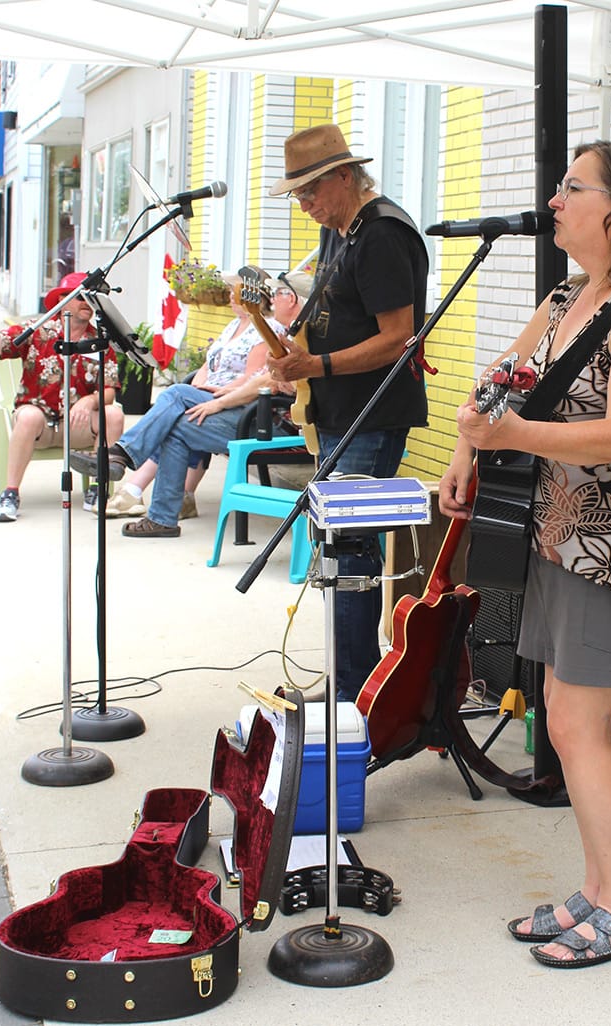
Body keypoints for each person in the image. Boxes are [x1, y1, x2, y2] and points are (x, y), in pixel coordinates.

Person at [438, 140, 611, 968]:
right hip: (565, 536)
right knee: (564, 717)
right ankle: (597, 889)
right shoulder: (569, 295)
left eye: (572, 187)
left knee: (579, 724)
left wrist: (512, 434)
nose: (553, 200)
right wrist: (465, 447)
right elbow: (504, 375)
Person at [267, 123, 429, 703]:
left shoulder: (382, 234)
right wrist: (293, 353)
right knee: (339, 551)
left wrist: (317, 368)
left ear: (343, 175)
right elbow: (337, 314)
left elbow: (398, 338)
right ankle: (348, 680)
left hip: (372, 413)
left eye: (311, 190)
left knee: (351, 552)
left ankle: (354, 694)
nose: (305, 204)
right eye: (297, 195)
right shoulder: (341, 229)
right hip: (339, 411)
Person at [72, 272, 307, 538]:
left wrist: (217, 402)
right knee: (177, 416)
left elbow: (261, 384)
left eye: (278, 294)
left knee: (176, 400)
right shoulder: (264, 330)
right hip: (239, 406)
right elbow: (220, 368)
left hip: (266, 420)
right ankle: (157, 512)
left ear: (293, 299)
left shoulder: (285, 335)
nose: (273, 299)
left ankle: (128, 460)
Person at [0, 272, 124, 523]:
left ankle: (97, 489)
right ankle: (10, 494)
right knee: (27, 416)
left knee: (113, 414)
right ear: (61, 300)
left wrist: (90, 401)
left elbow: (110, 389)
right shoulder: (38, 331)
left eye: (90, 299)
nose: (86, 304)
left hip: (77, 423)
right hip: (39, 424)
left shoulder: (99, 341)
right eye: (80, 297)